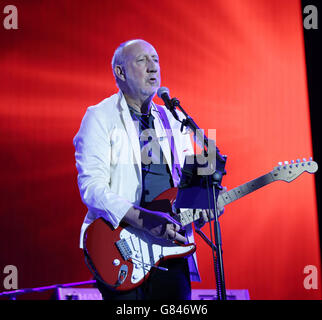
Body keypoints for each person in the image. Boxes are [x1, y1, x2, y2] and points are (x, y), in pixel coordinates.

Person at [73, 39, 224, 300]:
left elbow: (183, 188)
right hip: (120, 248)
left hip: (171, 247)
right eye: (142, 60)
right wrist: (143, 219)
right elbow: (92, 188)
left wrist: (204, 207)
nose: (153, 67)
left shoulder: (174, 120)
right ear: (120, 72)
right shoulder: (100, 116)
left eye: (155, 60)